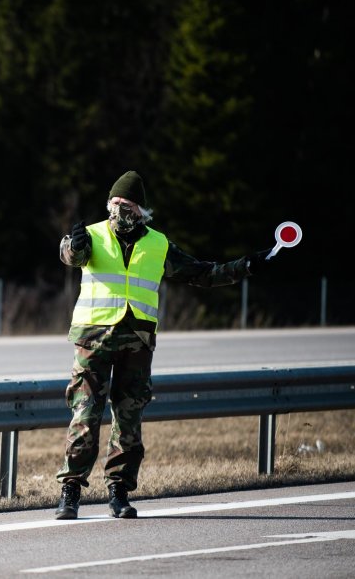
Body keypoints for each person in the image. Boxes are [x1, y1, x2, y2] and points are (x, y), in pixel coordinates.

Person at [54, 170, 273, 520]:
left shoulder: (158, 244)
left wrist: (246, 266)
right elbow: (70, 256)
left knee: (129, 420)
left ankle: (119, 492)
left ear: (140, 209)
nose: (118, 210)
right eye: (114, 203)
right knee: (85, 416)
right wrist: (73, 245)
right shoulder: (91, 236)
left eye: (126, 205)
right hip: (92, 341)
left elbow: (203, 273)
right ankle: (70, 492)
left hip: (137, 342)